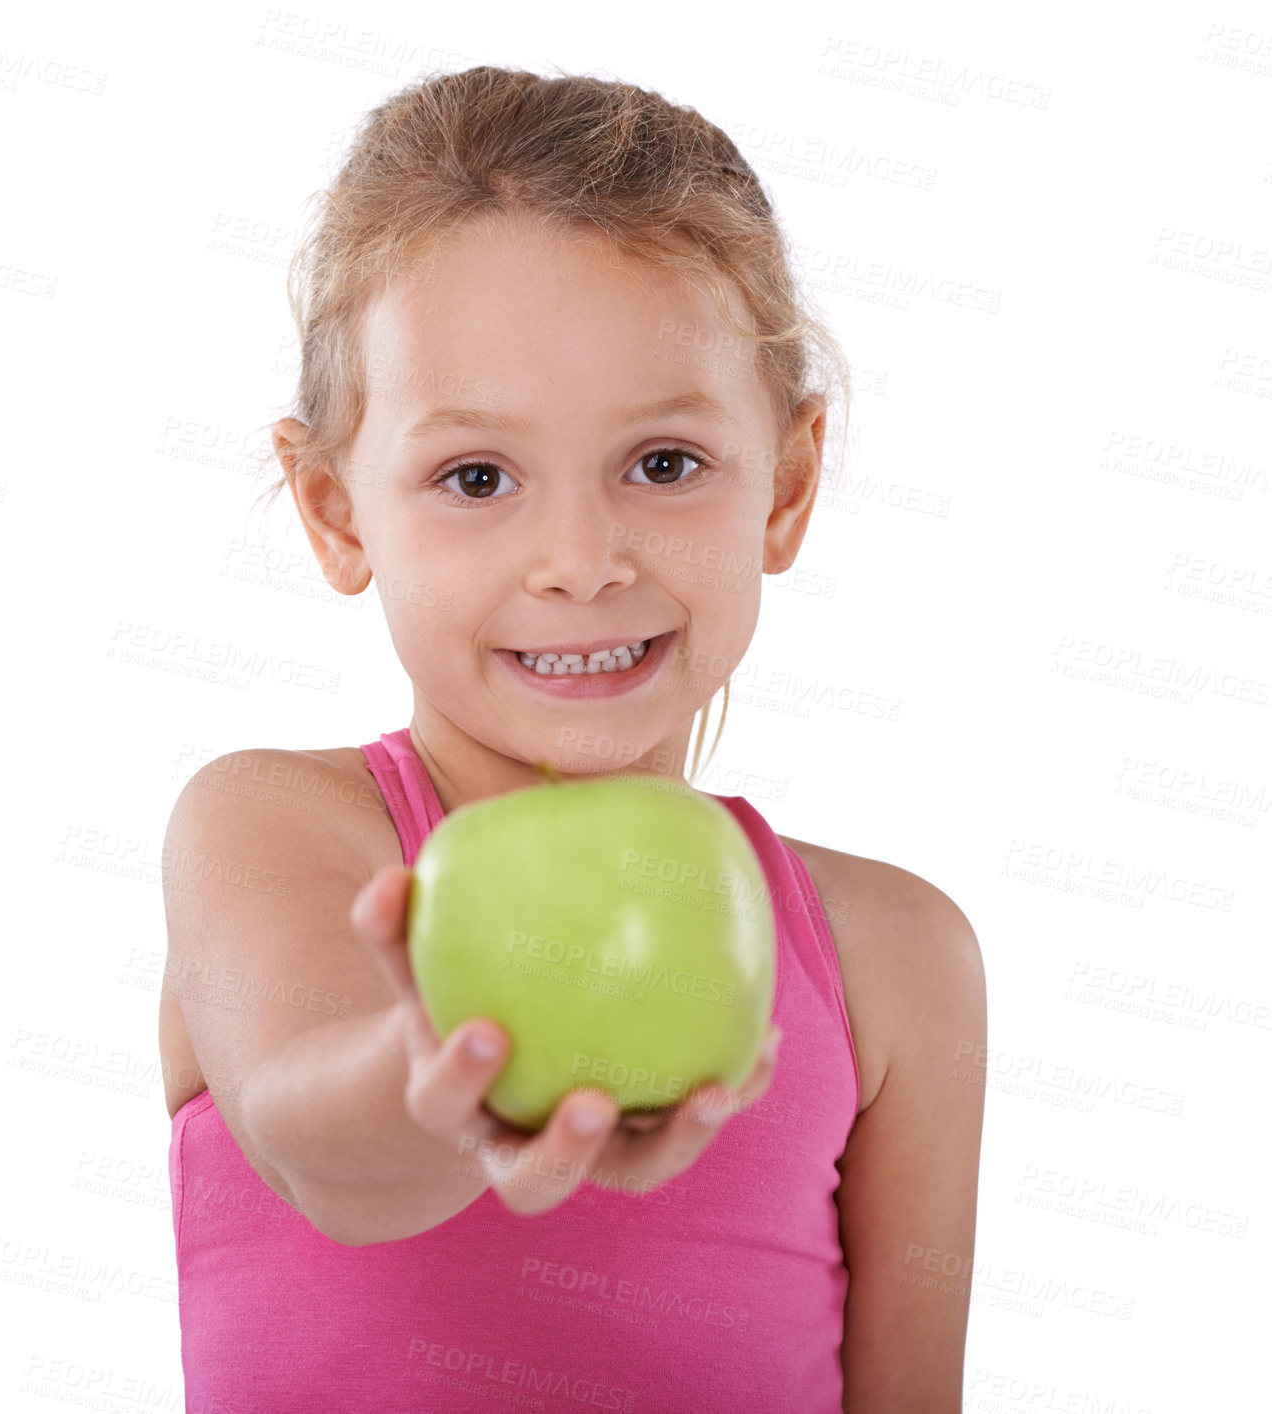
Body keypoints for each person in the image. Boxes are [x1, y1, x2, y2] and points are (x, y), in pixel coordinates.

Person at [160, 64, 986, 1413]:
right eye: (475, 477)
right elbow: (318, 1144)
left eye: (662, 462)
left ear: (782, 488)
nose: (579, 560)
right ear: (333, 512)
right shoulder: (277, 830)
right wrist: (435, 1090)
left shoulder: (898, 956)